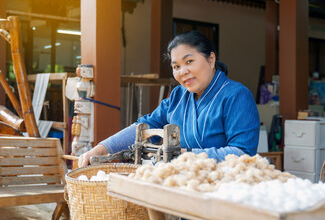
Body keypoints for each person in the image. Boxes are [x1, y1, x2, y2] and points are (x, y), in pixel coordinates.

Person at [78, 30, 260, 167]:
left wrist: (184, 155)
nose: (183, 72)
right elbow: (145, 126)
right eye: (176, 66)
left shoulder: (237, 95)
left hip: (222, 193)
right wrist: (101, 149)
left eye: (189, 62)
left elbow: (242, 152)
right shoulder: (178, 97)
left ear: (211, 59)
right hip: (183, 187)